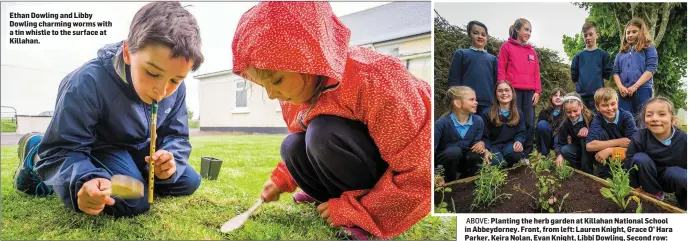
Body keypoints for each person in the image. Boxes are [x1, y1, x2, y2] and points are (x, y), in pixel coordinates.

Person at [231, 2, 431, 239]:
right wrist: (281, 179)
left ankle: (362, 212)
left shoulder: (375, 80)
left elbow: (419, 170)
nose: (272, 94)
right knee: (292, 145)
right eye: (262, 85)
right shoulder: (296, 92)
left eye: (276, 81)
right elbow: (302, 142)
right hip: (352, 158)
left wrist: (363, 210)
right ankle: (330, 197)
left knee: (321, 133)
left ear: (308, 59)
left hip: (391, 170)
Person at [13, 2, 203, 217]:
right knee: (134, 201)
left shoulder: (176, 89)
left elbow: (176, 136)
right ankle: (36, 152)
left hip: (139, 148)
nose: (161, 90)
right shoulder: (86, 81)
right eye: (152, 73)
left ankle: (134, 174)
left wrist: (170, 161)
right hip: (99, 146)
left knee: (188, 181)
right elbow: (64, 149)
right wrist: (84, 180)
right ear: (128, 53)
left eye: (176, 80)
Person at [625, 97, 686, 210]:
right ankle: (655, 194)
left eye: (662, 114)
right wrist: (634, 187)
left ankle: (683, 203)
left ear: (673, 120)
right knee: (639, 158)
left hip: (671, 178)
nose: (654, 119)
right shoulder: (639, 137)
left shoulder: (684, 140)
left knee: (682, 176)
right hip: (648, 178)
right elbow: (629, 162)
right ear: (644, 119)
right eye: (649, 115)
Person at [497, 18, 541, 160]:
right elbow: (501, 69)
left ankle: (526, 154)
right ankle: (513, 153)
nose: (528, 33)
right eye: (526, 29)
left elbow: (536, 74)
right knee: (513, 120)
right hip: (513, 91)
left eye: (530, 30)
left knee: (529, 122)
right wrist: (502, 88)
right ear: (517, 29)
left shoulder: (532, 52)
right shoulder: (506, 47)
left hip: (529, 92)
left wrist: (537, 91)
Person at [434, 86, 486, 182]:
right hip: (446, 162)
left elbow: (476, 142)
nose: (476, 102)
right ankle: (448, 181)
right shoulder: (442, 123)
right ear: (457, 103)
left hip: (464, 161)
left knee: (478, 154)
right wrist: (434, 173)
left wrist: (481, 144)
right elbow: (430, 150)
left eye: (475, 99)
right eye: (471, 99)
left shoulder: (478, 121)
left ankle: (467, 181)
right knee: (454, 151)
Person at [612, 17, 658, 121]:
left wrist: (635, 87)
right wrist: (620, 87)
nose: (630, 35)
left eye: (634, 32)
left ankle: (643, 138)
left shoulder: (648, 48)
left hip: (642, 90)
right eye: (628, 32)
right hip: (624, 92)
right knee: (625, 121)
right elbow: (615, 71)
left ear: (641, 32)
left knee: (642, 120)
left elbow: (651, 68)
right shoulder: (620, 54)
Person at [586, 87, 638, 178]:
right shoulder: (598, 119)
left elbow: (634, 146)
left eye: (613, 104)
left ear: (617, 102)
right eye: (605, 105)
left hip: (624, 154)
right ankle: (603, 172)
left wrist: (611, 150)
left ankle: (626, 175)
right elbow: (589, 146)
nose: (610, 108)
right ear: (597, 107)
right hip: (605, 156)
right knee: (600, 134)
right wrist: (618, 142)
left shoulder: (626, 116)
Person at [447, 20, 498, 114]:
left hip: (487, 104)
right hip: (465, 103)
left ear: (487, 37)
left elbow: (496, 83)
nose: (480, 36)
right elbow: (454, 80)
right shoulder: (461, 54)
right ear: (469, 35)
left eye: (483, 34)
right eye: (476, 33)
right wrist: (457, 100)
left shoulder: (493, 59)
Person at [480, 81, 526, 167]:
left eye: (507, 90)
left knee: (517, 155)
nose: (504, 93)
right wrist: (486, 149)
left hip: (509, 145)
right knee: (497, 163)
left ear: (512, 93)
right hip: (493, 146)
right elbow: (484, 136)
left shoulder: (519, 113)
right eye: (500, 91)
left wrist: (518, 141)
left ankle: (509, 164)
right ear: (496, 95)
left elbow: (521, 132)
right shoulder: (487, 113)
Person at [570, 21, 613, 111]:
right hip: (581, 97)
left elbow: (607, 76)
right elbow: (574, 77)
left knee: (596, 122)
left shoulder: (603, 55)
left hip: (598, 97)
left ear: (597, 35)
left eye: (591, 34)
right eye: (585, 35)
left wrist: (598, 89)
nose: (588, 38)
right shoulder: (578, 57)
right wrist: (584, 87)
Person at [553, 92, 596, 174]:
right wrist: (559, 155)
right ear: (564, 111)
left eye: (575, 111)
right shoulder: (564, 124)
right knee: (564, 150)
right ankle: (579, 168)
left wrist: (588, 130)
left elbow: (599, 133)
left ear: (581, 106)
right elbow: (560, 143)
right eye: (569, 112)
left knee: (584, 137)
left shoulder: (591, 117)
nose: (572, 115)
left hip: (592, 149)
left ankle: (588, 169)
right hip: (578, 148)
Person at [535, 88, 565, 157]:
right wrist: (539, 150)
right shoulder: (544, 113)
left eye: (561, 96)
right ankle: (544, 153)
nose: (558, 97)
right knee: (541, 124)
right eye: (555, 95)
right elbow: (538, 133)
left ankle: (560, 155)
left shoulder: (567, 113)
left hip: (560, 141)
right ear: (551, 98)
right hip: (547, 139)